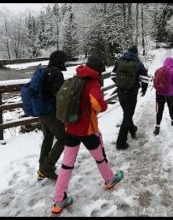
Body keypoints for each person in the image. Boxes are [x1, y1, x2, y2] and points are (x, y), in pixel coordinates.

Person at [51, 56, 123, 215]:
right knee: (100, 157)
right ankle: (110, 179)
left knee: (66, 165)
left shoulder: (76, 78)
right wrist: (103, 106)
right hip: (87, 130)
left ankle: (58, 200)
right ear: (98, 71)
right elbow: (97, 104)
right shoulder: (93, 82)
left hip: (70, 128)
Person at [36, 50, 67, 181]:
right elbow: (58, 95)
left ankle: (42, 168)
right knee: (63, 139)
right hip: (51, 112)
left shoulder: (45, 71)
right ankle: (46, 168)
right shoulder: (57, 74)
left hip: (41, 110)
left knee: (48, 138)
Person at [111, 46, 149, 150]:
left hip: (121, 92)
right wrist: (143, 90)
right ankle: (121, 142)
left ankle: (132, 130)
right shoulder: (138, 63)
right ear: (136, 53)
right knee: (128, 115)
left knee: (127, 113)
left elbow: (112, 75)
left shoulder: (119, 61)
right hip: (132, 93)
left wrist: (120, 85)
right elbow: (145, 79)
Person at [153, 56, 173, 135]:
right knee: (171, 107)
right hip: (170, 94)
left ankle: (157, 127)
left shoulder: (159, 70)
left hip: (160, 93)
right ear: (172, 63)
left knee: (160, 110)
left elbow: (155, 81)